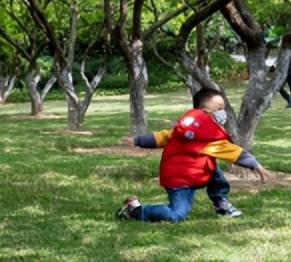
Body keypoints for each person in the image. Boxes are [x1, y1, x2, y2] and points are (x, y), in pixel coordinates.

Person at [116, 87, 273, 223]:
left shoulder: (187, 129)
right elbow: (234, 152)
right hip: (180, 180)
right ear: (205, 112)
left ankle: (221, 203)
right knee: (176, 215)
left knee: (213, 171)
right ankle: (136, 210)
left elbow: (161, 137)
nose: (222, 112)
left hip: (192, 171)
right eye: (219, 108)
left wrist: (137, 140)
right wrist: (255, 165)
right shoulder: (208, 137)